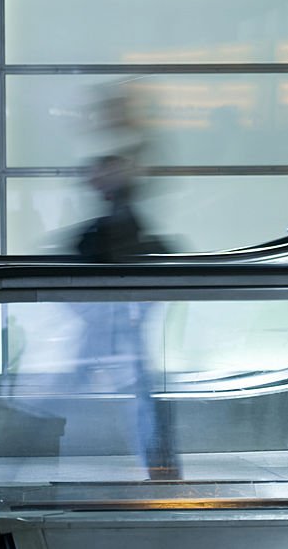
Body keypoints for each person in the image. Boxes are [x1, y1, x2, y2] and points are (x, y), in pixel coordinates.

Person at [72, 153, 180, 480]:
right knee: (141, 391)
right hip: (118, 316)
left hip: (117, 316)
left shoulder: (112, 224)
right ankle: (161, 464)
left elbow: (127, 251)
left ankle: (161, 463)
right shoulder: (113, 222)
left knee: (141, 393)